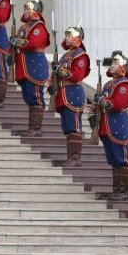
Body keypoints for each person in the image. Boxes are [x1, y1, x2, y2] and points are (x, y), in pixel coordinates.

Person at [93, 50, 128, 202]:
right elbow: (100, 104)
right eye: (112, 62)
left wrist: (101, 101)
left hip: (118, 124)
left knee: (121, 159)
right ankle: (116, 191)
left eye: (116, 62)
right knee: (113, 160)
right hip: (107, 124)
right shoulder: (108, 84)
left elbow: (118, 104)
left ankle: (123, 192)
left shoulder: (124, 84)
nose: (112, 65)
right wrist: (94, 113)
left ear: (124, 65)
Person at [9, 0, 50, 136]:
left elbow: (34, 43)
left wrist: (17, 42)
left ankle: (36, 128)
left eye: (28, 9)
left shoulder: (38, 26)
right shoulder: (24, 27)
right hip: (25, 65)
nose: (25, 11)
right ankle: (31, 127)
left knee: (35, 96)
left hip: (34, 64)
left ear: (35, 11)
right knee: (28, 96)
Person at [51, 25, 91, 167]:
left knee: (74, 127)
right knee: (68, 127)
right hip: (64, 92)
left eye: (69, 35)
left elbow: (77, 75)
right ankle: (71, 157)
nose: (66, 38)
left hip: (73, 93)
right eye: (66, 35)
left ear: (77, 38)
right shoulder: (66, 55)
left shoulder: (80, 55)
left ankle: (75, 158)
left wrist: (59, 70)